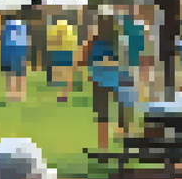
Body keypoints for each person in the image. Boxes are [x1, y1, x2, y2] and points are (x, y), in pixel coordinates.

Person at [81, 15, 124, 150]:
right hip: (116, 80)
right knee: (121, 111)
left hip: (98, 81)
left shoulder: (93, 41)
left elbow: (84, 59)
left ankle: (103, 145)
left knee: (102, 114)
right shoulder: (118, 42)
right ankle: (122, 138)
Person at [47, 17, 79, 101]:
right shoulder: (69, 29)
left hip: (58, 53)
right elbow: (74, 41)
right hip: (67, 52)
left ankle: (62, 93)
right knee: (66, 74)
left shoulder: (54, 30)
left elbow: (50, 41)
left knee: (60, 75)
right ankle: (65, 93)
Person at [0, 16, 30, 102]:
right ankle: (19, 94)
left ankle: (13, 94)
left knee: (12, 74)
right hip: (18, 52)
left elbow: (4, 42)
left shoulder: (8, 27)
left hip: (13, 52)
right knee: (17, 74)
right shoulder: (19, 26)